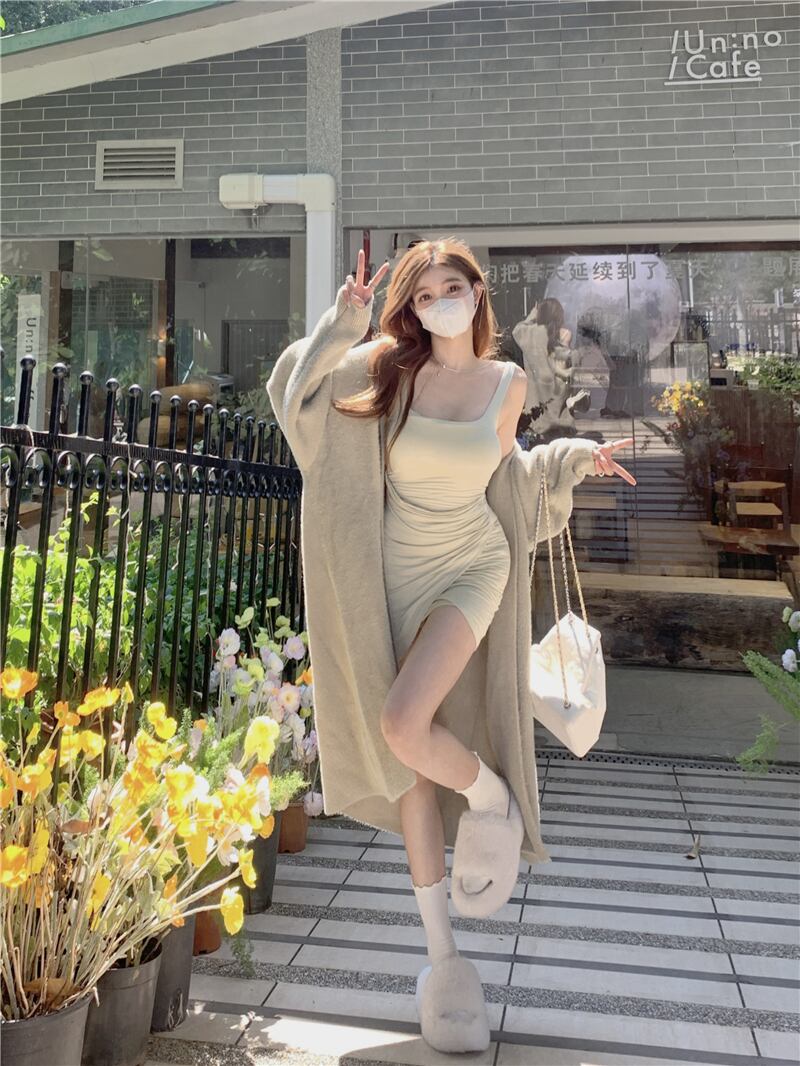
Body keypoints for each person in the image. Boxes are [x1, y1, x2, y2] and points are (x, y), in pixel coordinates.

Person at [266, 238, 634, 1054]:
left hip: (472, 564)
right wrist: (343, 324)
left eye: (451, 288)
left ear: (477, 293)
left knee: (405, 725)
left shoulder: (509, 382)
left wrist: (572, 456)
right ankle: (444, 961)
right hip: (392, 580)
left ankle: (491, 795)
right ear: (412, 308)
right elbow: (294, 399)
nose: (440, 304)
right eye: (424, 295)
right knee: (410, 772)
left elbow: (511, 470)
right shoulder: (384, 372)